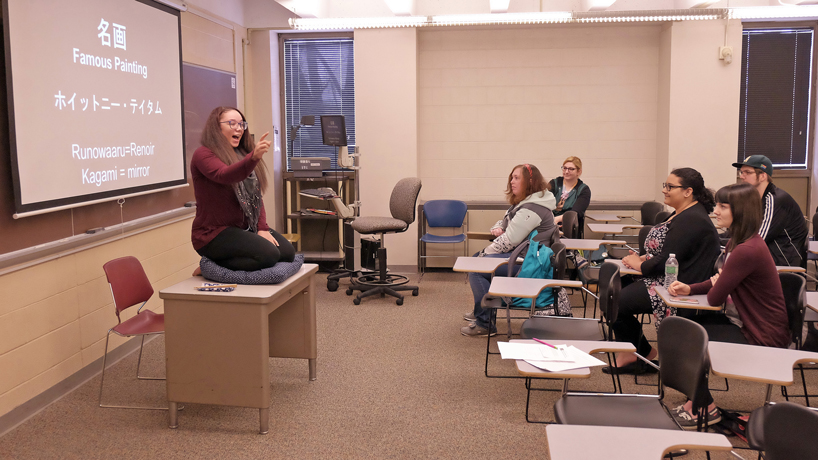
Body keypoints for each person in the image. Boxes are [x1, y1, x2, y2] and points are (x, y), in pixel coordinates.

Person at [667, 182, 789, 429]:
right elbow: (720, 281)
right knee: (685, 327)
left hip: (760, 334)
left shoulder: (747, 250)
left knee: (692, 338)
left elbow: (716, 297)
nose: (716, 211)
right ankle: (698, 401)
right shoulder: (739, 242)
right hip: (744, 322)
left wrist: (714, 282)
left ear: (741, 211)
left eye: (723, 206)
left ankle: (704, 407)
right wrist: (691, 288)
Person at [605, 168, 721, 373]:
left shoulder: (692, 219)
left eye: (670, 187)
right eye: (665, 186)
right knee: (615, 286)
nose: (665, 191)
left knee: (616, 300)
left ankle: (638, 352)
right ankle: (636, 350)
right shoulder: (681, 214)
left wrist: (639, 264)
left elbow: (667, 261)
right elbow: (669, 251)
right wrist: (641, 258)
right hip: (664, 278)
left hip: (677, 286)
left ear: (688, 191)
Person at [190, 106, 295, 272]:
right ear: (216, 127)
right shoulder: (203, 154)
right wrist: (252, 158)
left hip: (244, 228)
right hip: (212, 234)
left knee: (287, 253)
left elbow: (256, 198)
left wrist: (262, 229)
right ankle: (209, 267)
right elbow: (224, 175)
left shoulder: (240, 154)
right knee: (269, 256)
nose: (239, 128)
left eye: (241, 124)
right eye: (232, 123)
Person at [461, 164, 557, 337]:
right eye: (511, 177)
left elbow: (508, 241)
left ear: (530, 182)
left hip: (528, 264)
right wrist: (499, 227)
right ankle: (481, 310)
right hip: (523, 257)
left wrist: (485, 253)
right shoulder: (525, 203)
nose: (512, 182)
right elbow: (504, 222)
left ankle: (485, 323)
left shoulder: (532, 208)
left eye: (517, 178)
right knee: (477, 260)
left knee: (477, 269)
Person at [733, 155, 808, 267]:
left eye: (747, 172)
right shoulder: (753, 198)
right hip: (765, 258)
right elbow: (742, 229)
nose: (742, 176)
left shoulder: (775, 199)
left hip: (783, 264)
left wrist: (726, 244)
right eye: (741, 172)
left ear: (763, 176)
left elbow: (758, 239)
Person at [550, 156, 591, 237]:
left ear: (579, 172)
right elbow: (543, 203)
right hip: (550, 223)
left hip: (570, 228)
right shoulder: (554, 183)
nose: (566, 171)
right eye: (564, 168)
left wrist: (556, 219)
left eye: (571, 169)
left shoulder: (584, 190)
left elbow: (575, 212)